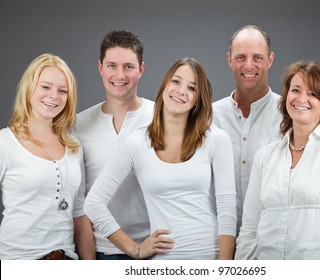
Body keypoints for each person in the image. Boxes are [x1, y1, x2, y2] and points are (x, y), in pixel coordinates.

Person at [84, 57, 237, 260]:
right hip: (162, 261)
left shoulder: (216, 139)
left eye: (192, 88)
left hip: (210, 256)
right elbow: (93, 203)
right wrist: (134, 249)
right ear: (165, 84)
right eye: (176, 81)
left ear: (198, 99)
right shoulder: (136, 143)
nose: (181, 90)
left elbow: (227, 210)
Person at [235, 61, 320, 260]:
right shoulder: (265, 156)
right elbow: (249, 229)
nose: (301, 98)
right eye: (295, 90)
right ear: (286, 97)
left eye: (313, 93)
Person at [73, 30, 154, 260]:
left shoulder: (162, 118)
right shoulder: (79, 125)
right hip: (100, 250)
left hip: (156, 249)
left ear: (141, 69)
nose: (120, 75)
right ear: (100, 68)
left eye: (128, 66)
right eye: (112, 65)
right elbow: (79, 202)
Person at [0, 53, 85, 259]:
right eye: (46, 87)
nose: (54, 96)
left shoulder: (74, 147)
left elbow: (80, 213)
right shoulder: (4, 143)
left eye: (62, 91)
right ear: (29, 88)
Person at [212, 25, 281, 231]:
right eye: (241, 57)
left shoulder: (289, 115)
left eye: (257, 58)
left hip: (270, 241)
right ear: (229, 59)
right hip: (218, 240)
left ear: (270, 59)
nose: (249, 65)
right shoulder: (209, 116)